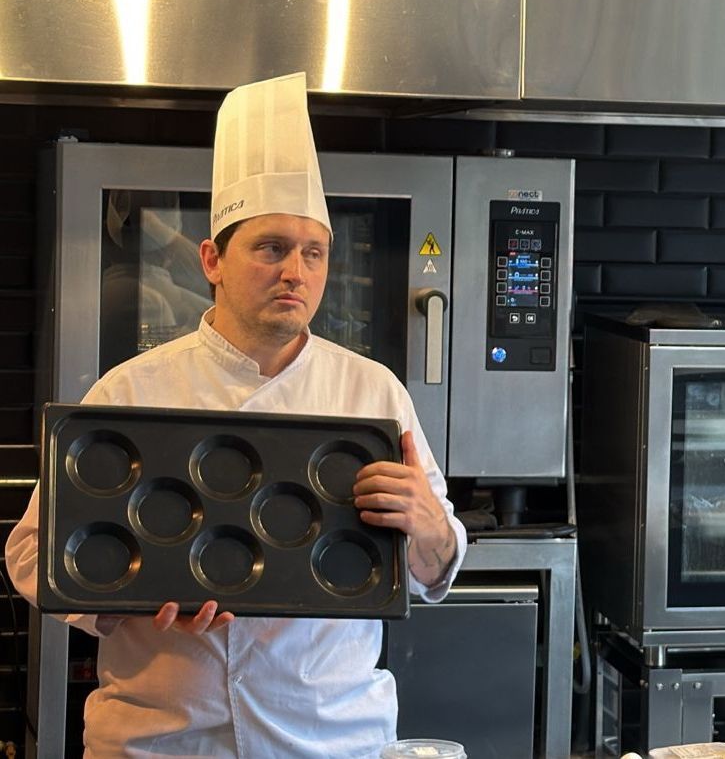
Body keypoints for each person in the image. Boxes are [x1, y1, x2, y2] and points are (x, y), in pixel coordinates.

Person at [6, 72, 466, 758]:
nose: (296, 272)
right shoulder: (131, 392)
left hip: (331, 740)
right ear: (212, 260)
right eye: (271, 248)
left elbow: (434, 569)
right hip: (160, 741)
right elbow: (28, 551)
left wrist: (431, 529)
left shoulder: (373, 394)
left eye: (313, 253)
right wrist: (122, 591)